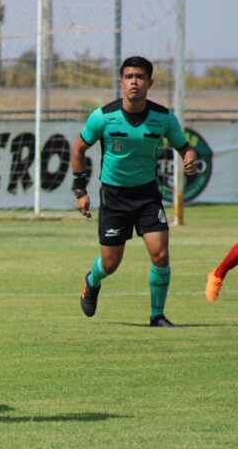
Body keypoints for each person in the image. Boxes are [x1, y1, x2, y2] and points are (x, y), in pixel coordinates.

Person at [71, 56, 198, 328]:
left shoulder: (163, 118)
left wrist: (189, 157)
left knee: (160, 254)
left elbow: (184, 146)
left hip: (147, 195)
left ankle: (157, 316)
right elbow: (78, 148)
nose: (134, 82)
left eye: (140, 77)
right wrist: (80, 190)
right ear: (121, 82)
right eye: (128, 77)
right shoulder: (103, 117)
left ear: (150, 82)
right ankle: (91, 281)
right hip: (114, 197)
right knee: (110, 263)